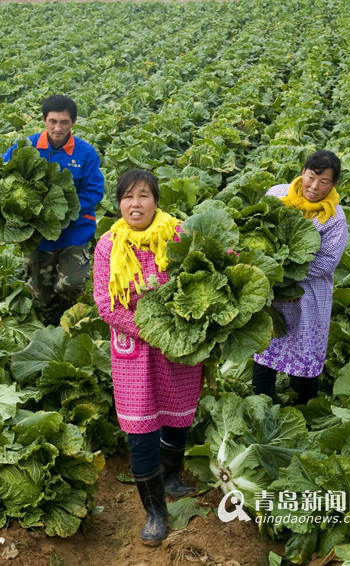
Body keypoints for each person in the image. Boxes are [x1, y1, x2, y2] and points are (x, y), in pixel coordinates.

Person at [93, 169, 203, 546]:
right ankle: (155, 511)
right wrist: (154, 330)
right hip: (135, 347)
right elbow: (106, 306)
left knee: (178, 413)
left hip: (179, 345)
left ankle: (171, 476)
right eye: (127, 197)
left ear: (156, 200)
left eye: (142, 196)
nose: (134, 204)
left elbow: (209, 269)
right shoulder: (108, 245)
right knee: (140, 429)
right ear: (119, 203)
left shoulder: (178, 234)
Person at [252, 150, 349, 404]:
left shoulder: (334, 218)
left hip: (308, 295)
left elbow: (327, 262)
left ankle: (308, 409)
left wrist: (285, 274)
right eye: (311, 177)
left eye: (324, 182)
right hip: (273, 292)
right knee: (267, 346)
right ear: (303, 172)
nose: (315, 187)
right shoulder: (277, 195)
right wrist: (270, 274)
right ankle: (260, 405)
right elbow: (256, 227)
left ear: (333, 184)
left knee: (307, 348)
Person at [3, 95, 105, 326]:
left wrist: (65, 211)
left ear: (73, 123)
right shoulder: (25, 147)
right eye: (53, 121)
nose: (58, 128)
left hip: (74, 231)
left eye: (64, 122)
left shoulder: (85, 153)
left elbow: (95, 191)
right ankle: (52, 322)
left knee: (72, 283)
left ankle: (66, 313)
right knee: (40, 290)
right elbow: (3, 174)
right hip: (37, 233)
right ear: (44, 120)